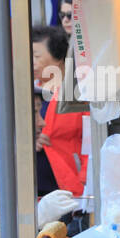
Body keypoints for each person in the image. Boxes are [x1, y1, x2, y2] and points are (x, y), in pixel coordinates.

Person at [31, 24, 88, 200]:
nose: (30, 61)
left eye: (36, 56)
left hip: (69, 188)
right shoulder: (27, 92)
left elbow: (89, 142)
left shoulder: (78, 95)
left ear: (58, 59)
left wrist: (85, 183)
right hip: (32, 189)